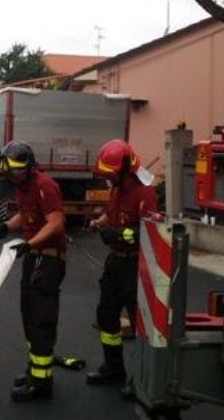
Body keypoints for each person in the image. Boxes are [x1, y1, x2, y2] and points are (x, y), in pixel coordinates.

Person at [0, 140, 67, 402]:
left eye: (17, 171)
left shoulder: (44, 185)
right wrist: (7, 227)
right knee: (29, 314)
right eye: (9, 172)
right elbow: (26, 215)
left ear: (29, 166)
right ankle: (35, 371)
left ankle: (41, 383)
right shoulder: (23, 187)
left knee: (40, 319)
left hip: (47, 260)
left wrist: (30, 243)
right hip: (34, 257)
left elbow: (55, 224)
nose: (13, 176)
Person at [85, 139, 157, 400]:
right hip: (115, 262)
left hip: (135, 265)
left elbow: (148, 233)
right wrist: (98, 223)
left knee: (139, 324)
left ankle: (139, 378)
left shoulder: (144, 193)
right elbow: (111, 214)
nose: (108, 177)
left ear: (126, 168)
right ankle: (113, 367)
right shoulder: (117, 189)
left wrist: (118, 233)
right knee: (106, 315)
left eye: (111, 173)